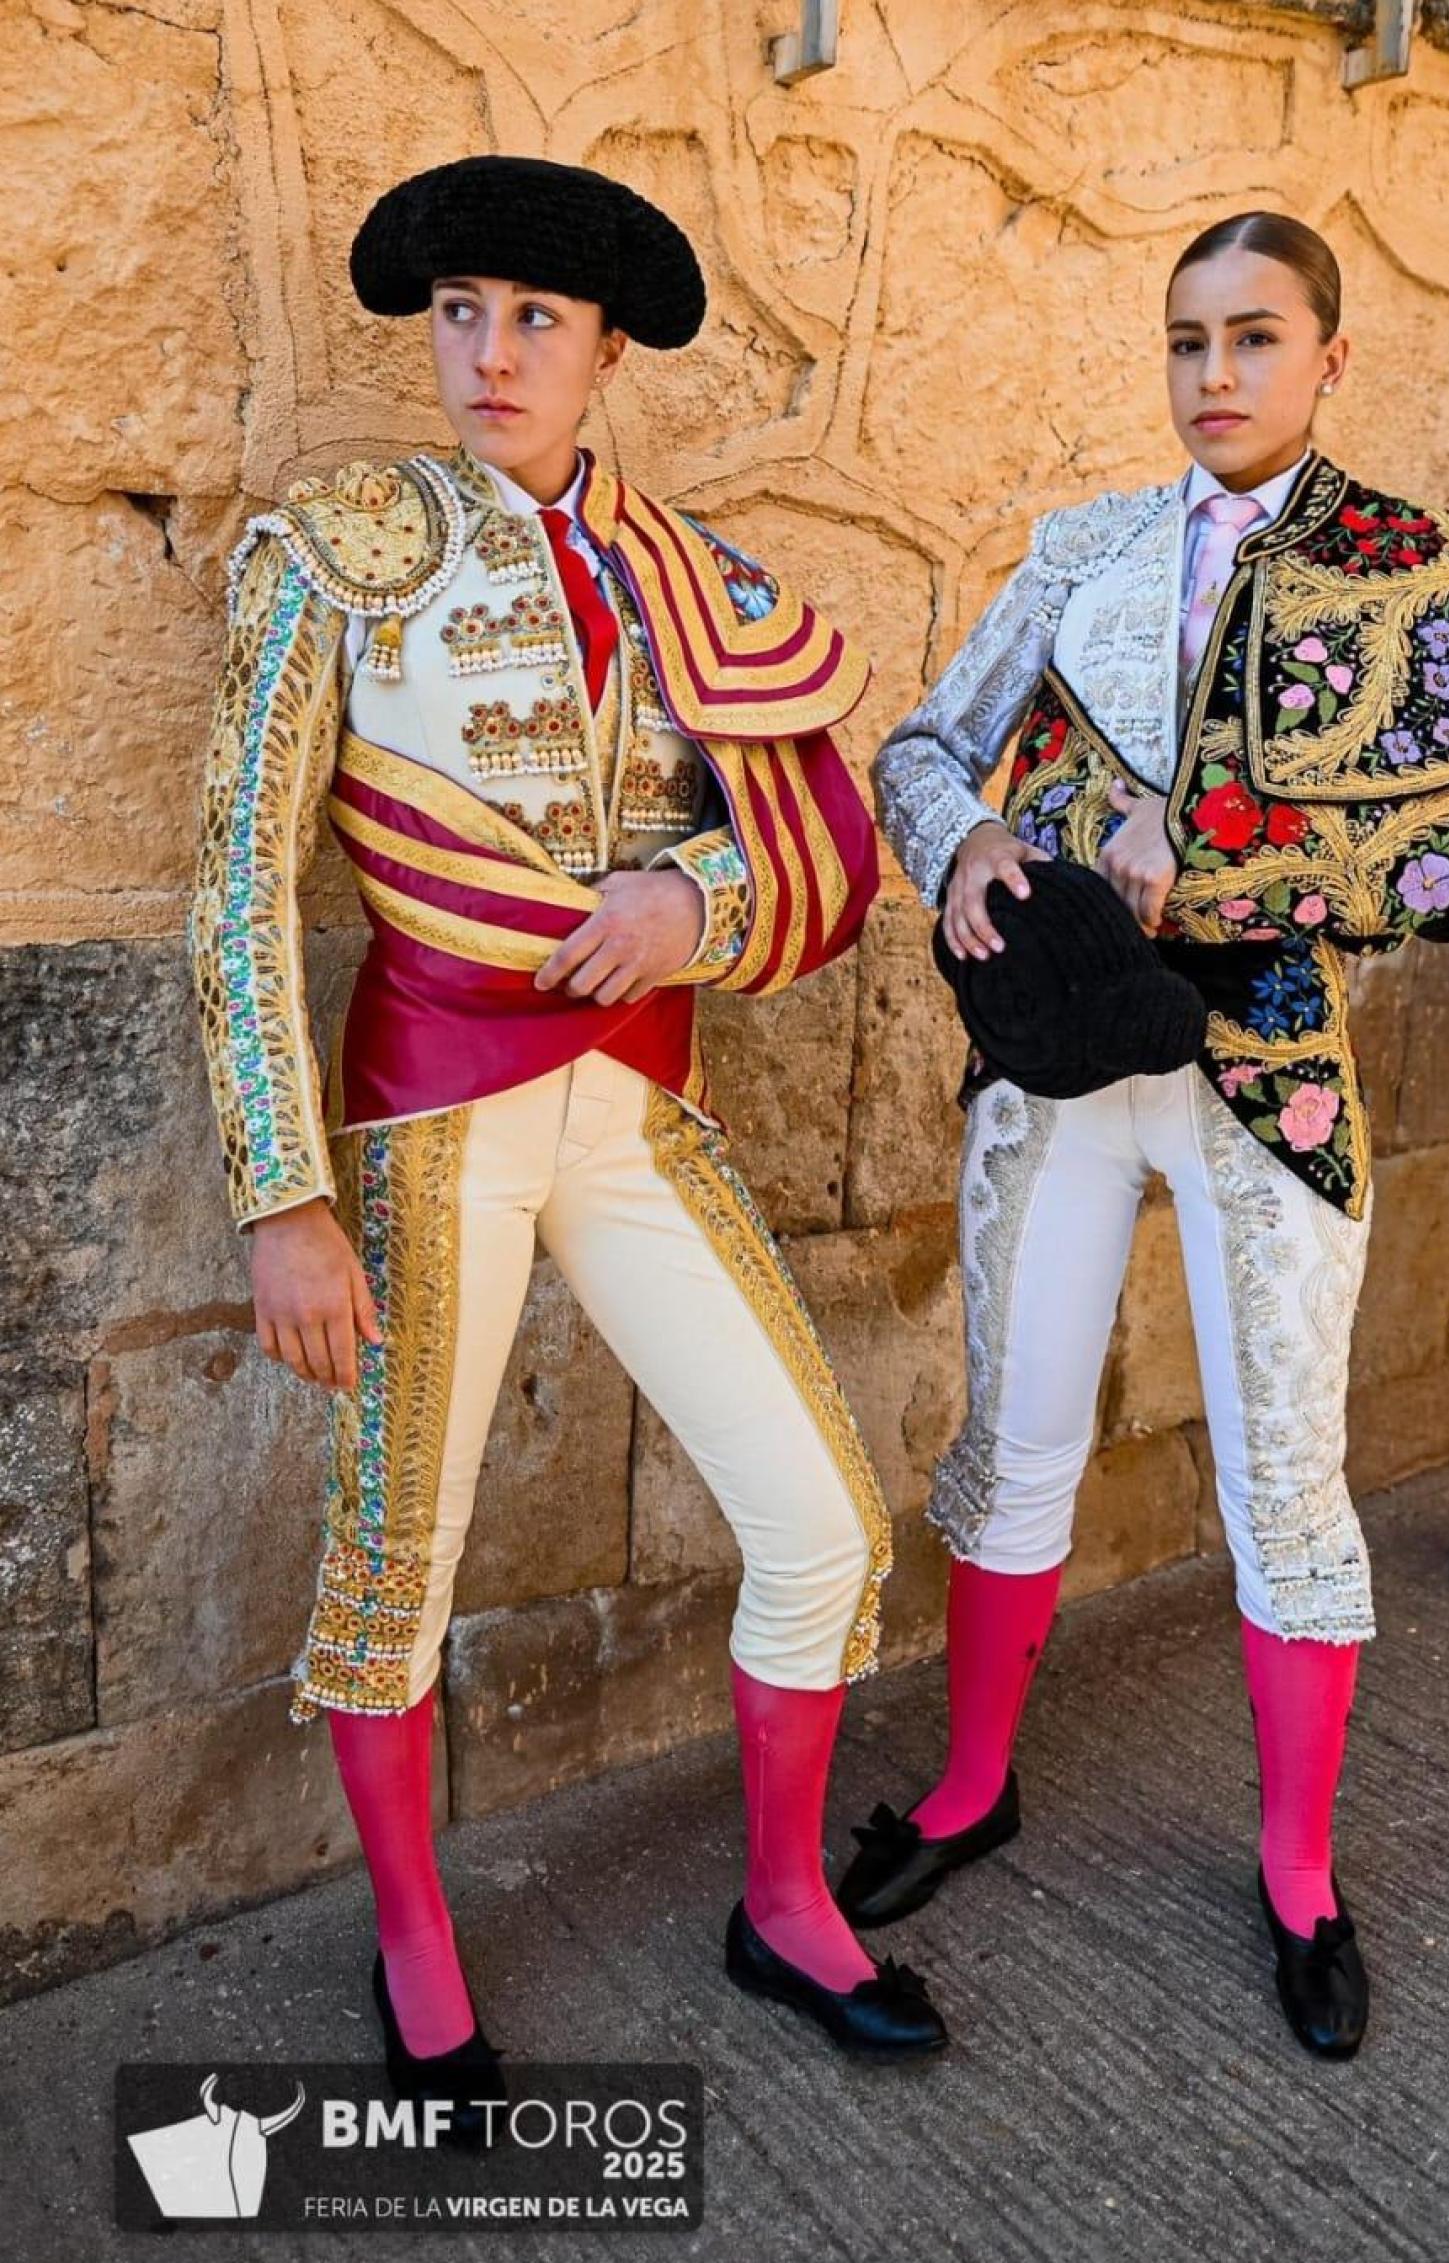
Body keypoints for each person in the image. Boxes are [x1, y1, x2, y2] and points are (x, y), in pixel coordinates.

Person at [189, 155, 949, 2113]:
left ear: (609, 349)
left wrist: (692, 899)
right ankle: (419, 1941)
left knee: (821, 1526)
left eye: (535, 317)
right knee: (395, 1570)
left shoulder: (683, 567)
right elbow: (236, 891)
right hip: (431, 1119)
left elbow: (806, 838)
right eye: (461, 312)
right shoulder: (336, 543)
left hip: (632, 1099)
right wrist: (282, 1192)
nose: (490, 352)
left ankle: (782, 1901)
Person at [840, 210, 1449, 2059]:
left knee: (1283, 1474)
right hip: (1064, 1059)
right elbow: (921, 746)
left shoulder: (1413, 573)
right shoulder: (1083, 548)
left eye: (1255, 340)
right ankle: (967, 1787)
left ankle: (1296, 1874)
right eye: (1187, 340)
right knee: (1014, 1433)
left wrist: (1234, 862)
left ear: (1329, 357)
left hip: (1271, 1059)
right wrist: (961, 844)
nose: (1214, 377)